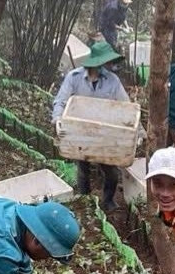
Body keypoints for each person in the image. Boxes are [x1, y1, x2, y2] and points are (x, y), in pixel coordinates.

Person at [51, 41, 130, 210]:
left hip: (104, 133)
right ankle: (85, 200)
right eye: (106, 61)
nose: (109, 65)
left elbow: (126, 106)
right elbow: (61, 100)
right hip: (79, 132)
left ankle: (108, 200)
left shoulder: (112, 80)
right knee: (83, 168)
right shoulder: (74, 78)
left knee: (111, 171)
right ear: (97, 62)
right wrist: (58, 119)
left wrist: (136, 132)